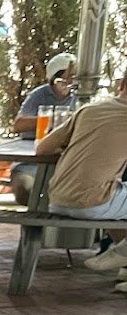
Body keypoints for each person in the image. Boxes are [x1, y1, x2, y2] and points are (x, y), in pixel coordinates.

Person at [36, 71, 127, 275]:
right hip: (92, 204)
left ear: (121, 84)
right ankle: (122, 252)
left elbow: (42, 148)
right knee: (111, 191)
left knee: (117, 191)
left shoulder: (88, 110)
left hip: (57, 199)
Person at [10, 52, 76, 206]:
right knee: (24, 189)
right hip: (32, 159)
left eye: (72, 79)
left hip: (63, 162)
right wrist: (54, 119)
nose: (69, 83)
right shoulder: (39, 95)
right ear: (53, 78)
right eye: (65, 79)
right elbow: (18, 125)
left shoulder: (78, 97)